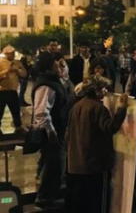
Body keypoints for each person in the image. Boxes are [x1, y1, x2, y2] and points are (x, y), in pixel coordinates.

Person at [65, 79, 128, 213]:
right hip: (94, 164)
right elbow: (111, 127)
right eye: (104, 89)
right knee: (97, 201)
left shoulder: (76, 106)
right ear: (96, 90)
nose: (106, 93)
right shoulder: (98, 108)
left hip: (76, 163)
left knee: (82, 202)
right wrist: (121, 108)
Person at [31, 52, 68, 208]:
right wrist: (51, 132)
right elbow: (41, 111)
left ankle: (48, 194)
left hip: (56, 129)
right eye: (55, 62)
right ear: (48, 65)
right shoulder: (46, 85)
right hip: (50, 133)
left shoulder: (53, 81)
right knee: (53, 164)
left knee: (51, 163)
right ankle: (44, 198)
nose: (58, 65)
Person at [0, 45, 27, 134]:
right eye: (11, 54)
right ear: (6, 54)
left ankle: (18, 126)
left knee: (16, 110)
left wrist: (18, 70)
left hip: (13, 90)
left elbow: (24, 74)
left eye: (13, 53)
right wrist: (8, 70)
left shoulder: (17, 62)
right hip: (2, 91)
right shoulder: (1, 62)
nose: (13, 55)